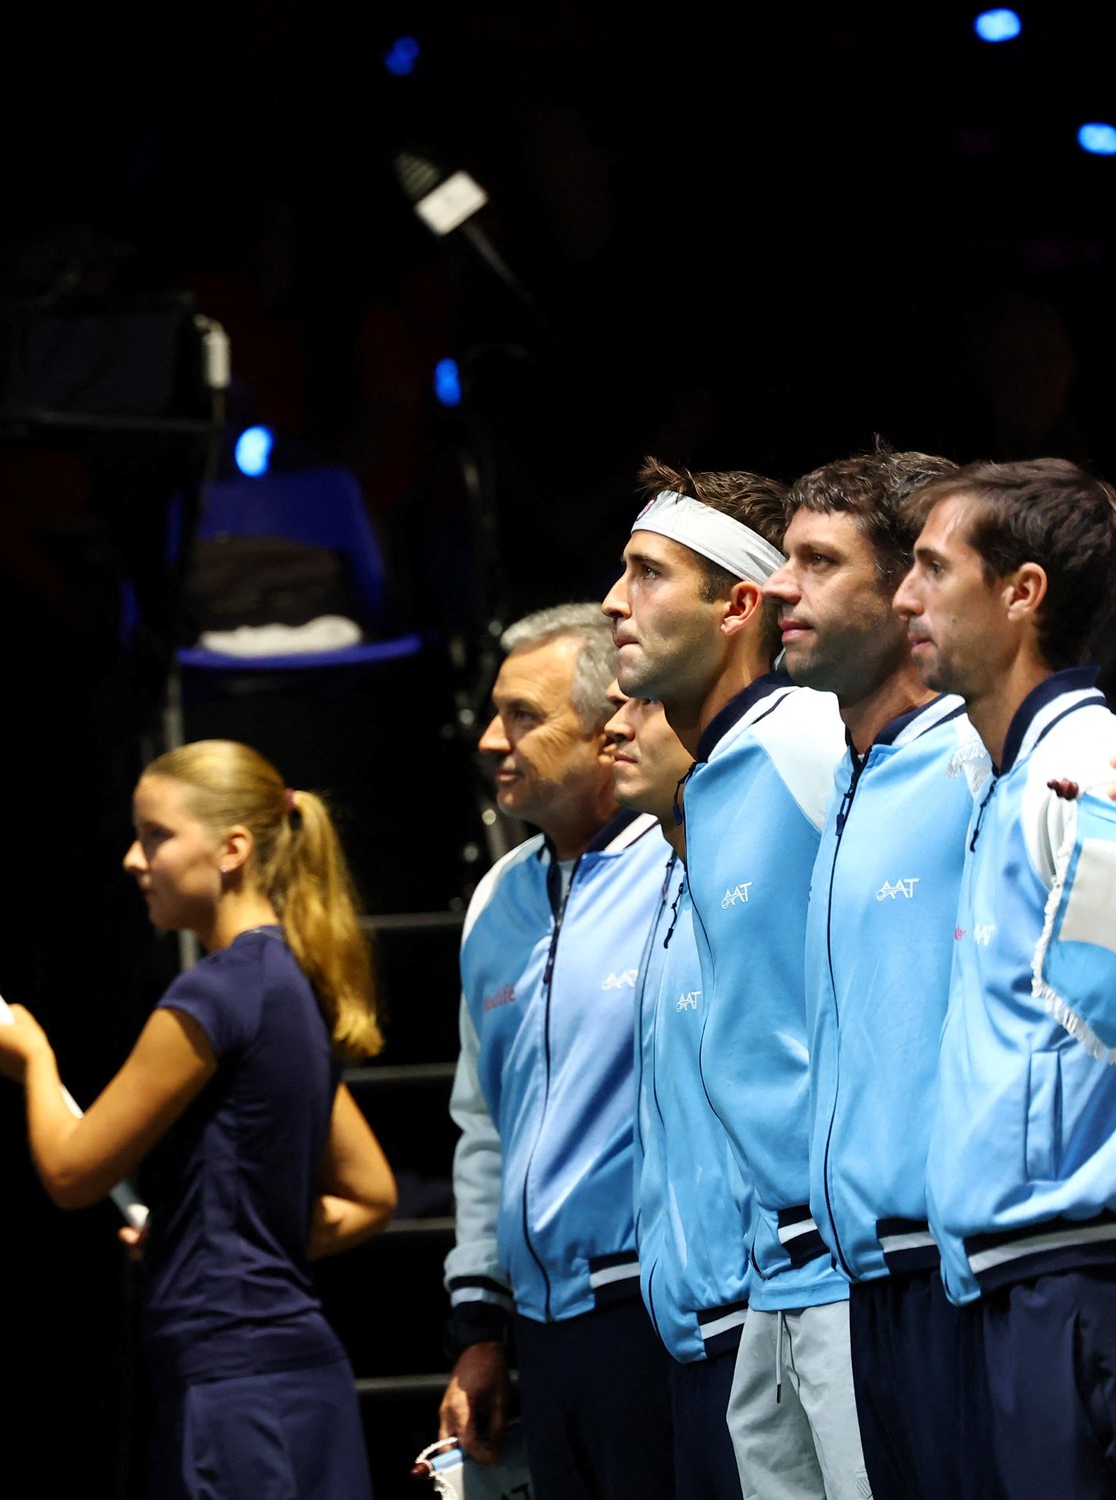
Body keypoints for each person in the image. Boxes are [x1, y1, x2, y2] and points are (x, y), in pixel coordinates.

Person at [892, 459, 1116, 1497]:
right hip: (1039, 1285)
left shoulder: (1096, 775)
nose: (904, 596)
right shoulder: (1009, 779)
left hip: (1111, 1295)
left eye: (931, 569)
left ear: (1020, 592)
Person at [0, 739, 397, 1500]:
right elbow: (372, 1195)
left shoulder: (214, 995)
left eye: (156, 836)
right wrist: (203, 1238)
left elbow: (72, 1173)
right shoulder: (290, 984)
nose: (133, 860)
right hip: (300, 1376)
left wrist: (34, 1061)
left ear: (232, 848)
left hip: (234, 1384)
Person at [602, 460, 869, 1500]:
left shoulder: (805, 742)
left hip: (845, 1271)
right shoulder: (713, 782)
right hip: (772, 1280)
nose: (615, 602)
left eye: (647, 573)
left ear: (736, 605)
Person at [760, 447, 1003, 1500]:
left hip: (963, 1279)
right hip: (869, 1280)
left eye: (816, 563)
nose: (778, 587)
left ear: (905, 590)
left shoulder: (976, 763)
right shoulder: (851, 779)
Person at [437, 604, 677, 1499]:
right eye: (493, 716)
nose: (494, 742)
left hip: (655, 1312)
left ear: (609, 720)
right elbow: (483, 1128)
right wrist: (480, 1328)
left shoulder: (679, 863)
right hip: (540, 1331)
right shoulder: (496, 899)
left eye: (524, 718)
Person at [607, 683, 752, 1500]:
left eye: (646, 703)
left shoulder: (765, 850)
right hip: (689, 1330)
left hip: (766, 1310)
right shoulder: (665, 877)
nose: (616, 727)